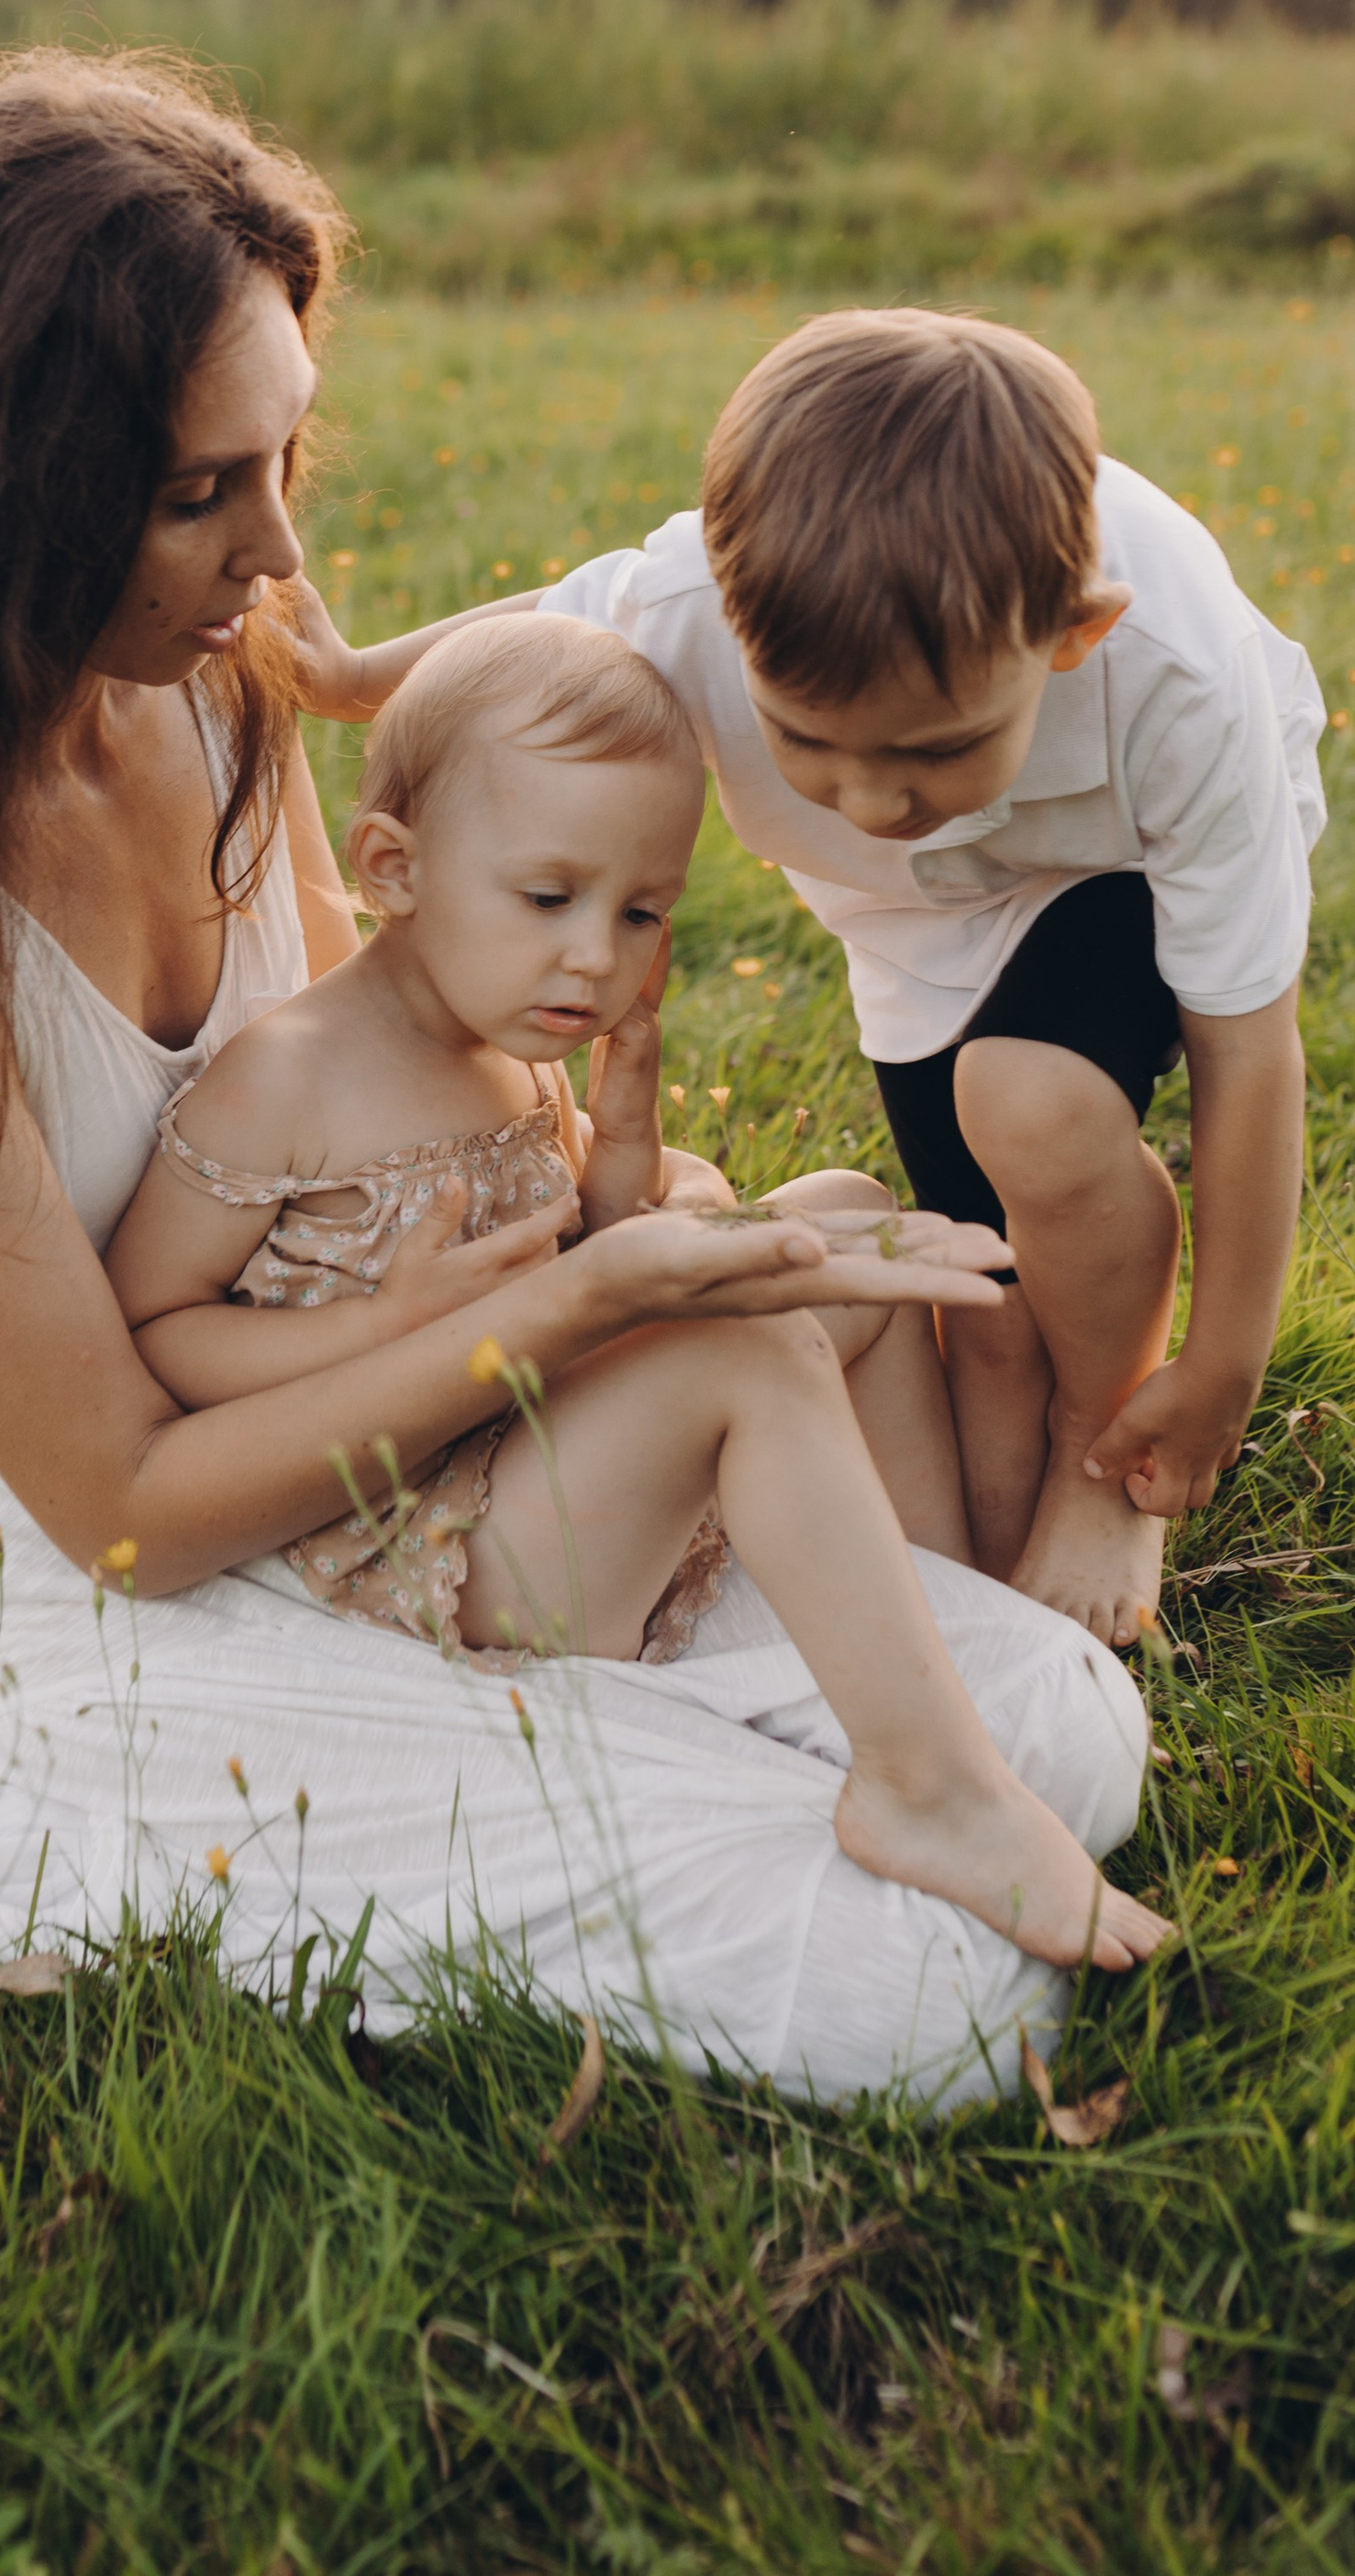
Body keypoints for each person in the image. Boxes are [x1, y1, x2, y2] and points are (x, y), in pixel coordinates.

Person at [0, 55, 1150, 2109]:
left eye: (282, 460)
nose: (277, 558)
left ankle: (758, 1747)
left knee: (1069, 1725)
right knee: (951, 2009)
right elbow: (126, 1521)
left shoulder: (211, 688)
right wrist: (569, 1311)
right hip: (156, 1634)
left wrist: (627, 1204)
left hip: (429, 1489)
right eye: (198, 495)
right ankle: (597, 1780)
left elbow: (408, 1106)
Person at [106, 608, 1170, 1973]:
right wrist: (384, 1326)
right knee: (753, 1351)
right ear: (394, 868)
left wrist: (620, 1174)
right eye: (549, 899)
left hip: (537, 1450)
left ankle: (926, 1614)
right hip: (432, 1550)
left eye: (643, 910)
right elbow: (154, 1330)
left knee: (841, 1217)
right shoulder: (292, 1074)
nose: (597, 959)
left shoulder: (504, 1026)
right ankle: (932, 1788)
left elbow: (570, 1276)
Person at [301, 308, 1326, 1651]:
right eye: (809, 746)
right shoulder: (690, 606)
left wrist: (1223, 1368)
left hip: (1108, 869)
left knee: (1034, 1107)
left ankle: (1109, 1460)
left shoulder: (1182, 682)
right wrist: (353, 678)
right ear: (727, 626)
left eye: (938, 749)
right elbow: (539, 645)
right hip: (911, 938)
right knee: (993, 1307)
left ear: (1074, 635)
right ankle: (1028, 1474)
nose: (871, 797)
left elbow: (1249, 1055)